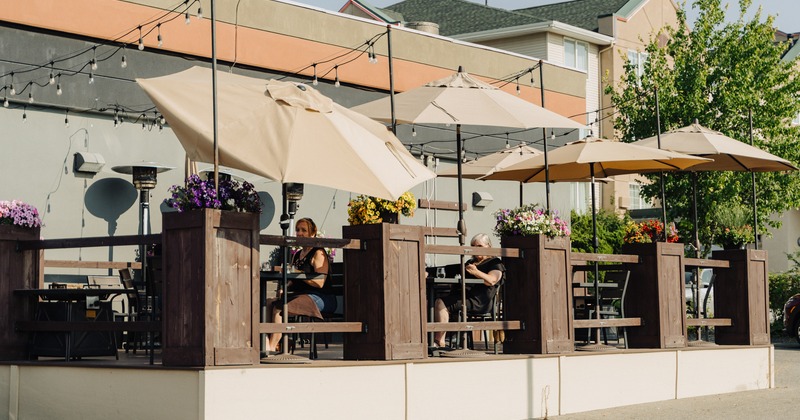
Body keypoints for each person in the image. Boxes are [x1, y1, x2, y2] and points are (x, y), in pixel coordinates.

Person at [266, 217, 337, 352]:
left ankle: (271, 347)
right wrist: (284, 289)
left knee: (280, 308)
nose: (300, 233)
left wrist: (297, 272)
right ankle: (279, 342)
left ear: (313, 233)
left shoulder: (318, 252)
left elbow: (320, 282)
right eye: (298, 230)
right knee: (270, 302)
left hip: (322, 297)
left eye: (304, 230)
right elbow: (292, 280)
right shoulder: (297, 254)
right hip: (303, 295)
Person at [432, 233, 505, 348]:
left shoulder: (495, 263)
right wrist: (427, 271)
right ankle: (435, 338)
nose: (475, 249)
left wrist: (476, 272)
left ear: (488, 247)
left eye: (479, 246)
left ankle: (439, 340)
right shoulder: (470, 263)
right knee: (431, 301)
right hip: (465, 297)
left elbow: (492, 280)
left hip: (480, 301)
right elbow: (450, 269)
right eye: (472, 246)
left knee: (441, 303)